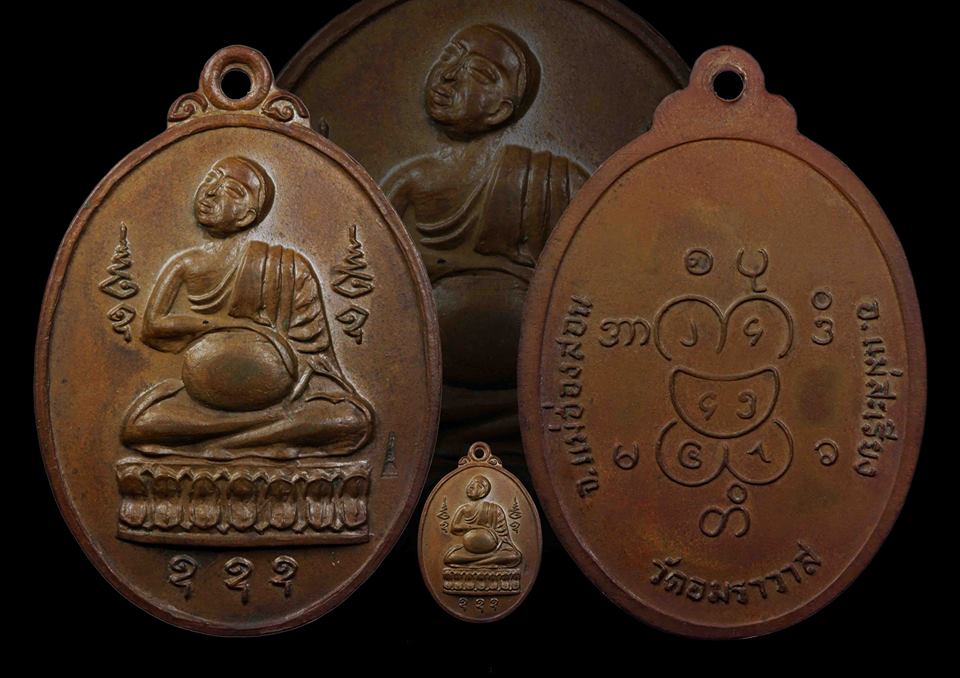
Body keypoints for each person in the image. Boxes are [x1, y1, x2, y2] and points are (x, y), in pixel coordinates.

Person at [382, 24, 587, 448]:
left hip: (537, 391)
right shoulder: (411, 180)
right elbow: (370, 265)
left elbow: (599, 272)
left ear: (499, 111)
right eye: (450, 55)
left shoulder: (553, 179)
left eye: (478, 72)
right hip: (423, 387)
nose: (449, 74)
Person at [120, 156, 373, 460]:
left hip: (283, 396)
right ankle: (260, 432)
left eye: (231, 190)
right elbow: (152, 327)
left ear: (246, 216)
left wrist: (276, 373)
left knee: (351, 419)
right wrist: (222, 326)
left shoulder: (290, 267)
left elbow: (315, 355)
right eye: (211, 178)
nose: (210, 191)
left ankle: (228, 438)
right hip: (201, 400)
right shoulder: (184, 264)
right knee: (141, 424)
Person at [444, 475, 522, 567]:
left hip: (494, 549)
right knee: (450, 557)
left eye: (476, 485)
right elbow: (454, 527)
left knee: (514, 555)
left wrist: (491, 540)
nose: (470, 487)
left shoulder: (495, 509)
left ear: (482, 492)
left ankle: (475, 562)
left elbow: (504, 537)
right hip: (468, 549)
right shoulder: (463, 508)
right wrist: (477, 527)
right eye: (470, 484)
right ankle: (485, 560)